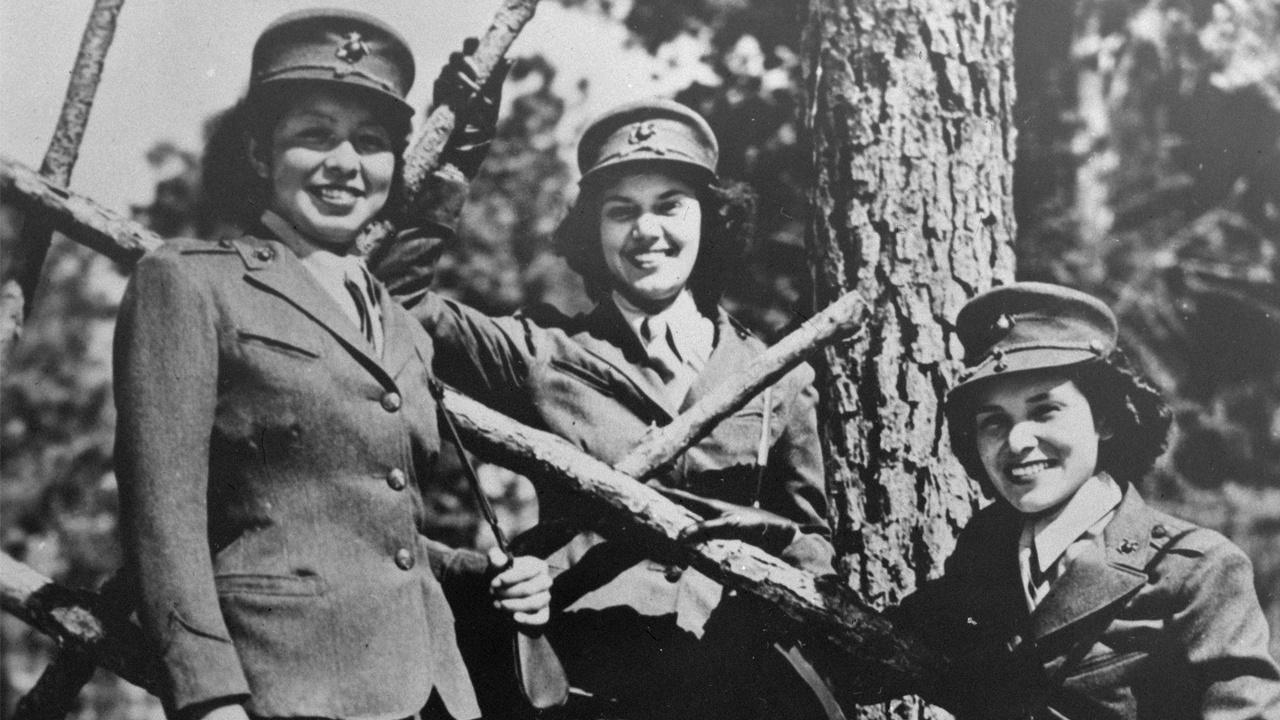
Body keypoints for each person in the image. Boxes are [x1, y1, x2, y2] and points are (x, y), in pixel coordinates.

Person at [113, 11, 551, 720]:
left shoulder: (403, 327)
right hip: (281, 690)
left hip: (432, 694)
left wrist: (490, 577)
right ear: (261, 153)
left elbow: (376, 535)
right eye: (314, 135)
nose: (345, 163)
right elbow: (160, 513)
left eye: (371, 142)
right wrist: (208, 696)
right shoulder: (191, 282)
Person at [377, 98, 838, 719]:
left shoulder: (776, 374)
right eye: (621, 211)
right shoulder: (541, 353)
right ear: (592, 232)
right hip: (590, 682)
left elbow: (809, 538)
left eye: (669, 205)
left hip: (738, 683)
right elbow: (396, 298)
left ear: (712, 219)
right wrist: (457, 157)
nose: (647, 231)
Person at [873, 282, 1280, 718]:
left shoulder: (1196, 569)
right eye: (994, 422)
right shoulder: (987, 549)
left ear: (1104, 419)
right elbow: (878, 650)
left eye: (1044, 411)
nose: (1017, 441)